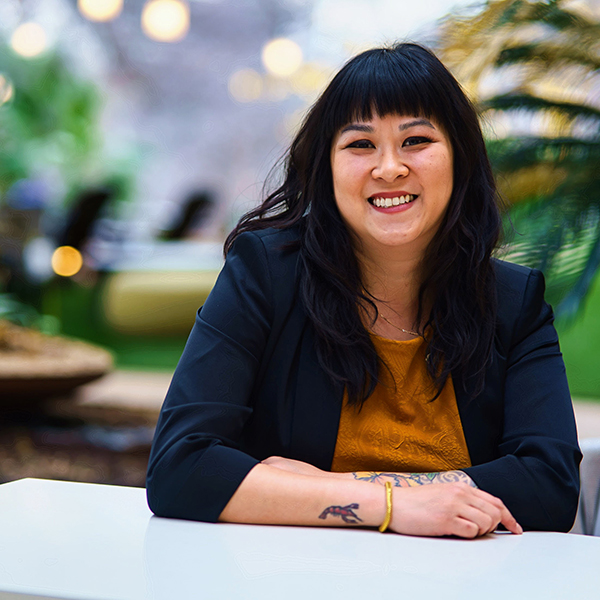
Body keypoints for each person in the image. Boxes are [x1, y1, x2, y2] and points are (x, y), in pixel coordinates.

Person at [146, 43, 581, 537]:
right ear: (325, 167)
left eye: (416, 140)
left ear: (460, 157)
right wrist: (393, 506)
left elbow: (550, 487)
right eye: (360, 144)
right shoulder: (265, 274)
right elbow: (180, 469)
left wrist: (337, 488)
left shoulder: (513, 301)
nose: (389, 168)